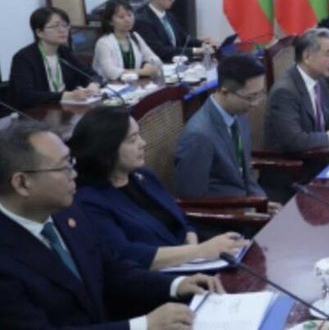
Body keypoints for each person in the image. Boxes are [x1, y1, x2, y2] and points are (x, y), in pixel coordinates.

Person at [0, 120, 221, 329]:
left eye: (71, 162)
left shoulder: (68, 211)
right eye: (63, 167)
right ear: (22, 183)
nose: (74, 174)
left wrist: (175, 285)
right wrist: (142, 325)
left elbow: (111, 269)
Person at [68, 107, 246, 271]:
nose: (143, 143)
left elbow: (180, 219)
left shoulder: (143, 176)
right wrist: (199, 251)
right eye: (133, 140)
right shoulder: (89, 200)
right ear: (106, 149)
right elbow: (125, 254)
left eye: (139, 135)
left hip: (190, 263)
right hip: (155, 280)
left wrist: (191, 237)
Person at [175, 55, 275, 205]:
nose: (256, 104)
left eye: (259, 94)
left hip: (248, 203)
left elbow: (245, 172)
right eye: (251, 97)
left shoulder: (239, 113)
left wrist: (262, 202)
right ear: (225, 92)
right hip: (224, 212)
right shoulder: (198, 136)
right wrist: (251, 208)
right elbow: (192, 199)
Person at [265, 28, 329, 152]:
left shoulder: (319, 80)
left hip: (322, 156)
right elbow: (295, 140)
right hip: (298, 162)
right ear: (307, 56)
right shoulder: (284, 92)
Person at [8, 6, 99, 109]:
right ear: (39, 32)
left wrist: (93, 85)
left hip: (65, 110)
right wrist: (68, 95)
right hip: (37, 113)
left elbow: (92, 75)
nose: (62, 30)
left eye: (65, 25)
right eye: (55, 26)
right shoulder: (24, 58)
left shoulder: (64, 53)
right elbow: (26, 95)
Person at [133, 0, 214, 63]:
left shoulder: (168, 15)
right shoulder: (142, 20)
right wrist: (195, 50)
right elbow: (160, 50)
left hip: (176, 63)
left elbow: (184, 39)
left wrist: (203, 44)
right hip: (160, 65)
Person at [93, 0, 163, 82]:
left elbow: (155, 59)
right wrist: (142, 72)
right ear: (110, 22)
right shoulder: (104, 43)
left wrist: (148, 64)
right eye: (121, 17)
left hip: (134, 84)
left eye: (129, 15)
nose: (127, 20)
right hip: (111, 86)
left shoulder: (135, 37)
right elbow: (111, 72)